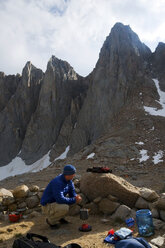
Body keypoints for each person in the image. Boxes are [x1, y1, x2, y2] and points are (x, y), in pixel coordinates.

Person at [40, 164, 82, 229]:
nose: (74, 175)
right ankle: (51, 221)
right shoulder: (57, 182)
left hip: (56, 203)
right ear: (67, 175)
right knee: (65, 207)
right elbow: (60, 199)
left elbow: (72, 193)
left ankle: (60, 217)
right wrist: (74, 199)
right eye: (72, 174)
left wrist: (76, 197)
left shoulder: (69, 181)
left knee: (75, 201)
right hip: (47, 205)